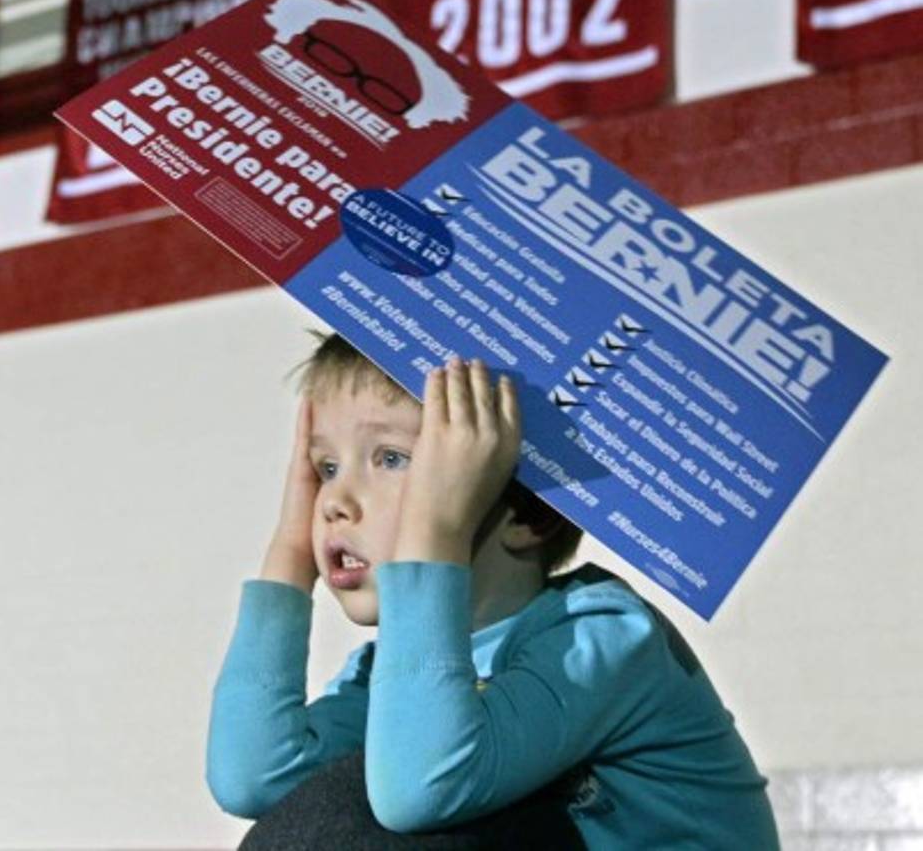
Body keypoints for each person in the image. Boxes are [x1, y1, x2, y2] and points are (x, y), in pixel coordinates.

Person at [206, 330, 780, 848]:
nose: (334, 502)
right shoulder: (387, 673)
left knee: (380, 813)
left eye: (392, 458)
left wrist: (436, 528)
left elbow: (420, 792)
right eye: (326, 468)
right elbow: (256, 780)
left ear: (530, 515)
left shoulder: (604, 636)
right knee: (318, 816)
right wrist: (289, 549)